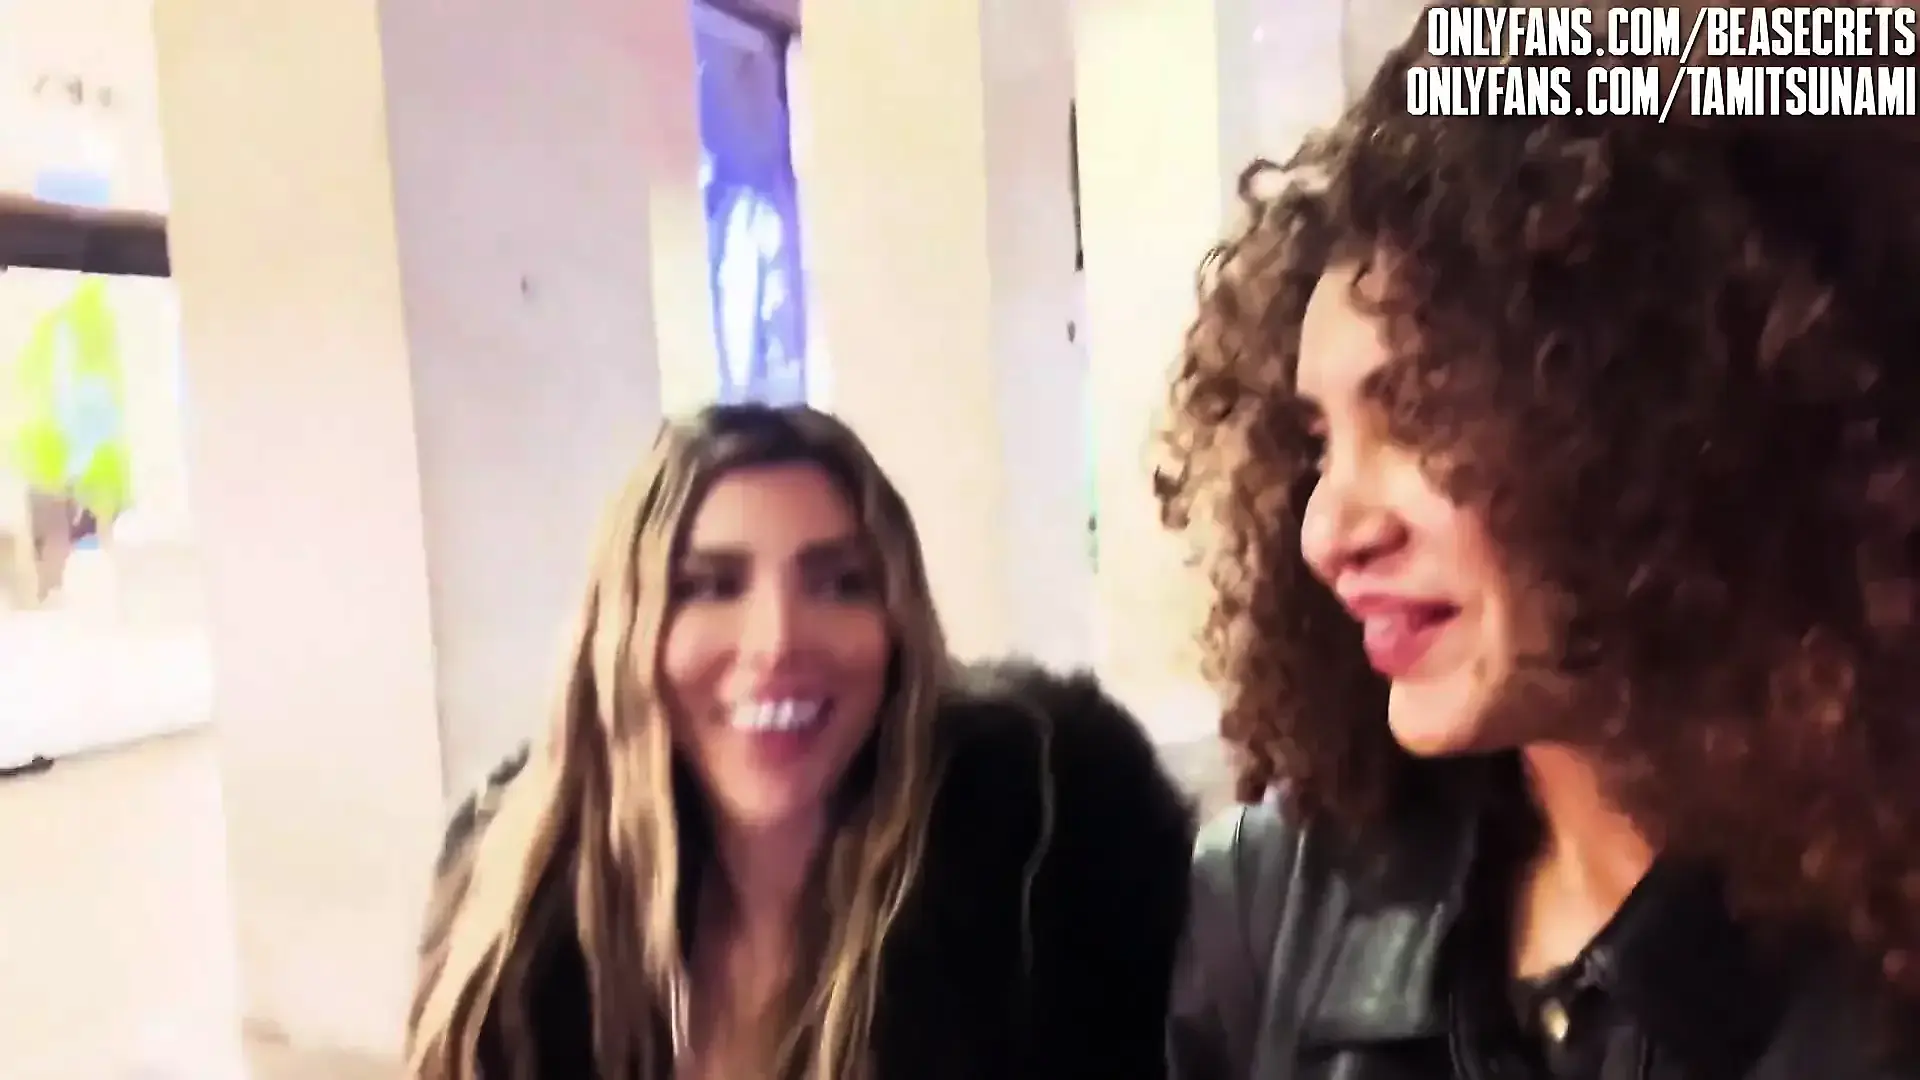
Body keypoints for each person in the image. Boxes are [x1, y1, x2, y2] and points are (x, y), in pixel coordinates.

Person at [1157, 38, 1920, 1080]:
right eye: (1317, 441)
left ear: (1653, 417)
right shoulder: (1271, 911)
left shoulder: (1875, 955)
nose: (1328, 531)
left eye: (1420, 412)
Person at [406, 403, 1193, 1080]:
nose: (779, 641)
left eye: (840, 584)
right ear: (621, 634)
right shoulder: (518, 912)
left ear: (899, 627)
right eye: (710, 586)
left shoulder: (1040, 877)